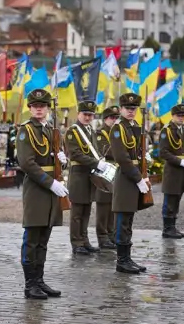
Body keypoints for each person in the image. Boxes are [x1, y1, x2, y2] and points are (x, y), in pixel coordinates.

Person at [16, 88, 69, 299]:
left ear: (47, 108)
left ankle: (39, 280)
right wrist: (50, 183)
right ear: (30, 108)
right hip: (38, 189)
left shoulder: (51, 130)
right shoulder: (25, 131)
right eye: (35, 106)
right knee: (32, 238)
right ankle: (30, 284)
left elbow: (55, 160)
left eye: (42, 106)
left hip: (50, 188)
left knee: (43, 238)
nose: (39, 109)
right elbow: (27, 163)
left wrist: (63, 162)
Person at [109, 92, 152, 274]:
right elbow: (122, 158)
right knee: (122, 220)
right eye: (127, 109)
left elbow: (138, 154)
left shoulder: (135, 126)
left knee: (129, 219)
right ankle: (121, 260)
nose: (131, 112)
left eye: (133, 109)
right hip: (126, 177)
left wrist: (144, 170)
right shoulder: (118, 128)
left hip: (135, 176)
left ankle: (127, 258)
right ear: (121, 109)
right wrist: (138, 178)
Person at [65, 100, 108, 255]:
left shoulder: (90, 130)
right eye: (85, 114)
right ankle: (76, 243)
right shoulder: (73, 131)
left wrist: (100, 160)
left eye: (91, 115)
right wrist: (96, 163)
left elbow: (94, 151)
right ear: (79, 114)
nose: (88, 117)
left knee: (86, 210)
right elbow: (75, 153)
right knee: (77, 212)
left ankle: (85, 240)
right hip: (78, 175)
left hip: (90, 176)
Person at [157, 104, 184, 238]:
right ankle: (167, 229)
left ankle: (173, 227)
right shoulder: (167, 130)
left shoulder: (182, 129)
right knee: (170, 199)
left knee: (177, 199)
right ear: (172, 116)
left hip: (182, 170)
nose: (181, 118)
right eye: (179, 115)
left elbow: (183, 148)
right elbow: (163, 152)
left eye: (183, 116)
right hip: (172, 170)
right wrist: (179, 161)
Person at [94, 106, 120, 249]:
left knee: (112, 205)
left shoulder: (117, 132)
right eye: (112, 118)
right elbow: (107, 151)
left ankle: (111, 234)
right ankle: (102, 236)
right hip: (104, 172)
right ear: (105, 119)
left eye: (117, 118)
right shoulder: (100, 133)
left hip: (115, 172)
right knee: (103, 205)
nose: (115, 120)